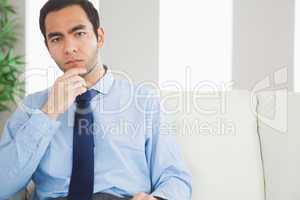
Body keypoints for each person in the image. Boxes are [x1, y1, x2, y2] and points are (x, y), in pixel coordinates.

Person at [0, 0, 192, 199]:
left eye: (79, 33)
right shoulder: (31, 107)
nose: (69, 48)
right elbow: (2, 186)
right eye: (56, 39)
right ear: (48, 47)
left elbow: (174, 178)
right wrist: (49, 113)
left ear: (99, 37)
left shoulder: (144, 102)